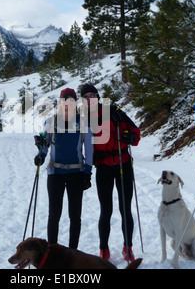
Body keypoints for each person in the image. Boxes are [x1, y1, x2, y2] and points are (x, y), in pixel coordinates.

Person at [80, 83, 141, 262]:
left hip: (123, 165)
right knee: (106, 210)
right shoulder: (83, 119)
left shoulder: (114, 112)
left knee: (125, 208)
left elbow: (135, 131)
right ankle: (103, 249)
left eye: (93, 96)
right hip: (104, 168)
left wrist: (131, 137)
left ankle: (128, 247)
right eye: (86, 97)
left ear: (98, 97)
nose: (90, 100)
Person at [34, 88, 93, 249]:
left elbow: (89, 149)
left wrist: (87, 173)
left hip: (76, 173)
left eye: (71, 101)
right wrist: (41, 155)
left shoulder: (83, 123)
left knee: (75, 216)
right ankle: (52, 251)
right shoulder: (50, 121)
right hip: (55, 173)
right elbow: (44, 144)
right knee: (54, 214)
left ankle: (72, 252)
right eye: (65, 101)